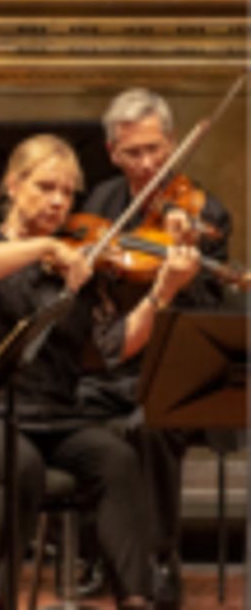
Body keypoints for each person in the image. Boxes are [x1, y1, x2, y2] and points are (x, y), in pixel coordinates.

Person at [0, 134, 199, 609]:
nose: (59, 200)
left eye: (68, 192)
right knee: (22, 466)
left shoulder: (81, 261)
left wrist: (163, 292)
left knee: (117, 459)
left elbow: (116, 345)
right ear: (13, 185)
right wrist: (43, 249)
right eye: (45, 186)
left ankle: (136, 599)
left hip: (55, 414)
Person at [77, 88, 234, 605]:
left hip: (180, 374)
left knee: (150, 426)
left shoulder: (205, 212)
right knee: (63, 413)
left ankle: (156, 558)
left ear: (172, 144)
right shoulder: (100, 203)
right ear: (112, 153)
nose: (146, 164)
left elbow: (208, 317)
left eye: (155, 149)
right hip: (113, 364)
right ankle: (96, 553)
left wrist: (182, 272)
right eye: (133, 153)